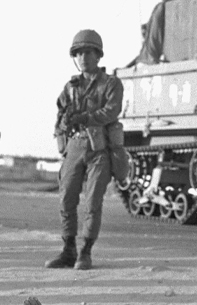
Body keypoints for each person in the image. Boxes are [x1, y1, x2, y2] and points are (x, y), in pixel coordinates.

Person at [47, 30, 123, 271]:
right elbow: (60, 112)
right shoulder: (71, 87)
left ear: (98, 55)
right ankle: (68, 249)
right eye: (78, 53)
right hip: (75, 145)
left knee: (92, 202)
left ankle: (85, 251)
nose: (83, 58)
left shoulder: (110, 84)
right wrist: (64, 124)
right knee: (67, 197)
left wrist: (85, 117)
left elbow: (111, 111)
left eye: (88, 52)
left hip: (99, 147)